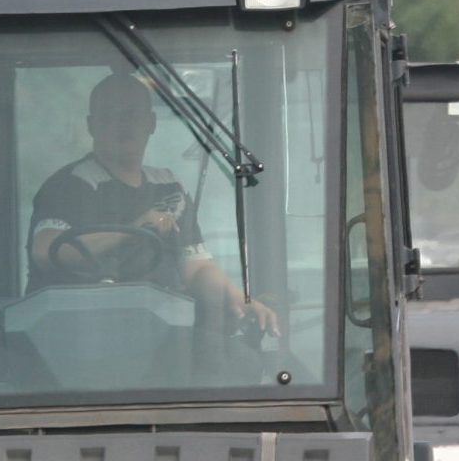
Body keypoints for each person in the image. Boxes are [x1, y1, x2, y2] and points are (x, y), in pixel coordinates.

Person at [26, 73, 278, 335]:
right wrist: (131, 230)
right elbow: (45, 251)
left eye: (133, 114)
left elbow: (197, 267)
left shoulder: (169, 186)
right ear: (92, 125)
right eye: (111, 115)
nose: (123, 124)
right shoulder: (69, 184)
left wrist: (239, 299)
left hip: (160, 334)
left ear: (151, 122)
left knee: (241, 362)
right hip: (76, 337)